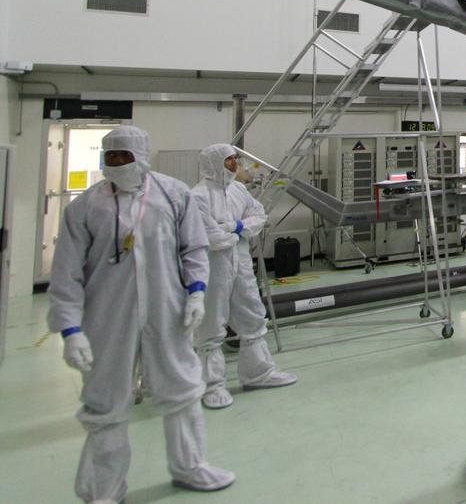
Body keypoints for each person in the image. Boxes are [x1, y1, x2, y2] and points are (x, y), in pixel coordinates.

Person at [48, 125, 235, 502]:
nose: (118, 163)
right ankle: (103, 490)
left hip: (168, 311)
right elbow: (66, 274)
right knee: (105, 403)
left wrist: (196, 293)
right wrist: (70, 330)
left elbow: (194, 249)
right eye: (111, 156)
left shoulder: (172, 194)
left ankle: (190, 466)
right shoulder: (85, 207)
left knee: (182, 389)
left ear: (143, 156)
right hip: (107, 319)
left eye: (125, 155)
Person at [192, 144, 296, 409]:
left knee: (252, 315)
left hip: (241, 264)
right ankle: (211, 386)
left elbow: (259, 216)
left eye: (235, 159)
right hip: (213, 267)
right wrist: (239, 231)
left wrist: (233, 227)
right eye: (229, 160)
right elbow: (212, 238)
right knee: (211, 322)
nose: (234, 164)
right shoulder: (198, 196)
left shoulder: (238, 189)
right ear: (214, 163)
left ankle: (258, 373)